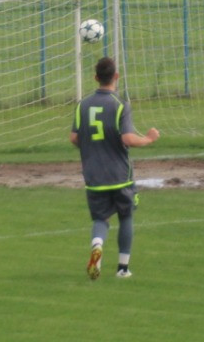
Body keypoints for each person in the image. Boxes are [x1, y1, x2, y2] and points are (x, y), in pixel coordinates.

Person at [70, 56, 160, 280]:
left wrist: (91, 145)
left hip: (94, 176)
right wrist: (148, 139)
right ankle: (122, 269)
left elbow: (74, 138)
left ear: (95, 77)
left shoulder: (82, 105)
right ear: (116, 76)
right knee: (126, 216)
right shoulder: (120, 105)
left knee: (100, 219)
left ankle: (97, 244)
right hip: (120, 175)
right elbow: (127, 138)